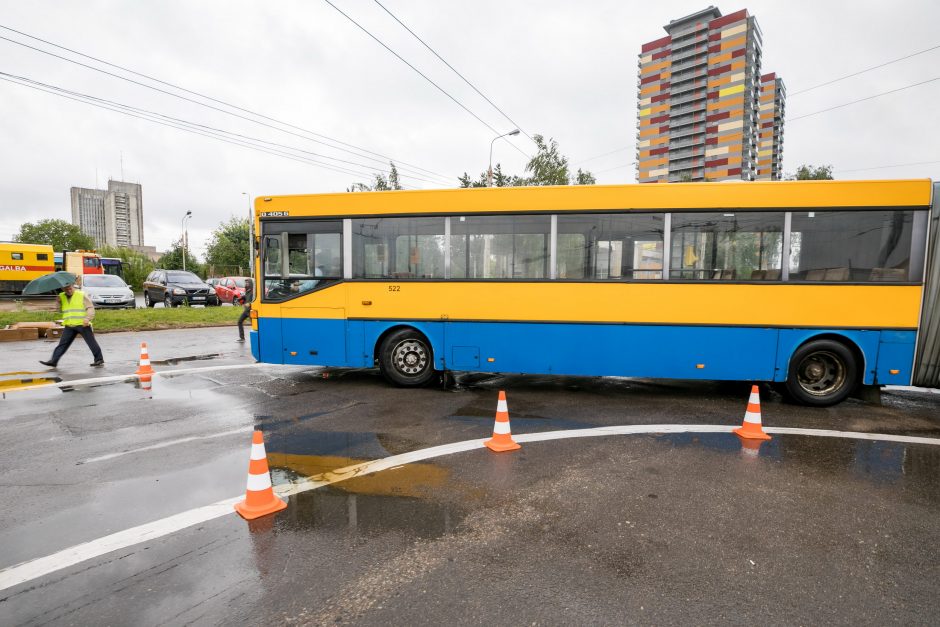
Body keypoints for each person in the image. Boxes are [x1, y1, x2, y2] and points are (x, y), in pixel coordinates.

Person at [40, 282, 104, 367]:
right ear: (63, 289)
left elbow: (90, 307)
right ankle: (53, 361)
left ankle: (99, 359)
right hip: (69, 325)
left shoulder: (81, 294)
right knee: (62, 344)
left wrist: (87, 318)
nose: (69, 290)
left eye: (70, 288)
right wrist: (58, 303)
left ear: (72, 286)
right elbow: (60, 310)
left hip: (82, 324)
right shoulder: (61, 296)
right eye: (66, 289)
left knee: (91, 342)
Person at [236, 278, 254, 342]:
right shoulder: (247, 291)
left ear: (250, 284)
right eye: (246, 283)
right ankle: (242, 338)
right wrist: (239, 299)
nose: (246, 284)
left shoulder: (253, 292)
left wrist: (249, 304)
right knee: (239, 321)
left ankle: (260, 337)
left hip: (251, 311)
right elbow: (245, 297)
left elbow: (255, 301)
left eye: (248, 283)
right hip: (246, 311)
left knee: (255, 325)